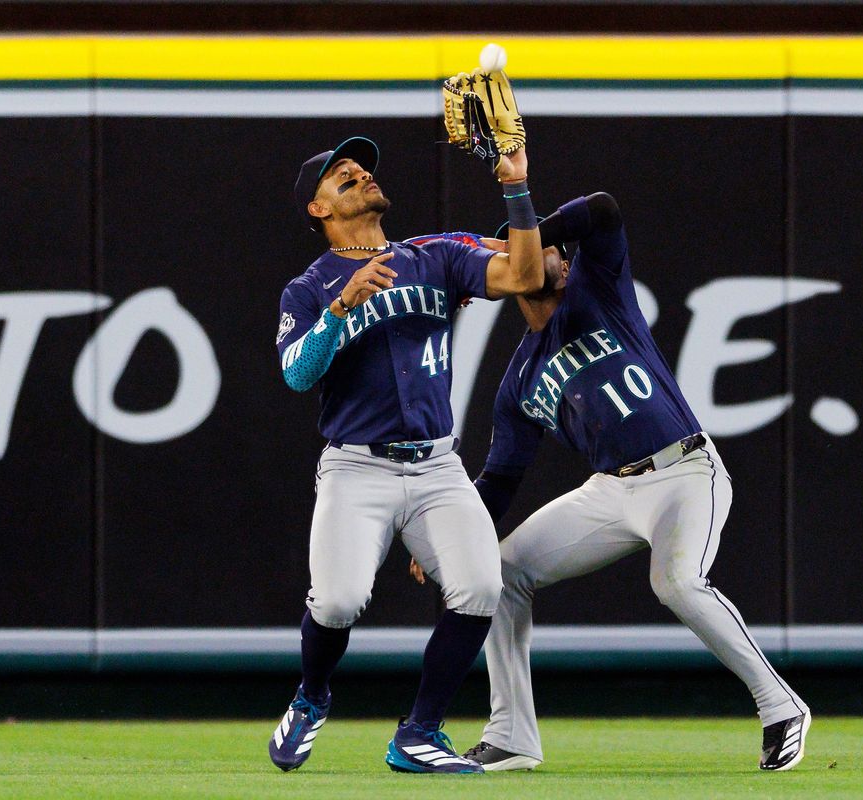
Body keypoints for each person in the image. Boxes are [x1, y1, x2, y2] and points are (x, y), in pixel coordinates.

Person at [415, 191, 811, 773]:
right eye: (523, 248)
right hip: (611, 489)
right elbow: (500, 478)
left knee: (676, 581)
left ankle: (781, 706)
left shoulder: (598, 288)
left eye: (545, 247)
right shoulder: (519, 379)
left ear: (566, 260)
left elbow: (601, 209)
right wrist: (458, 536)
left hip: (683, 470)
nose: (537, 251)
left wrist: (535, 227)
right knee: (499, 572)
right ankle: (512, 735)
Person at [269, 134, 544, 775]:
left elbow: (527, 273)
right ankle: (311, 697)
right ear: (319, 211)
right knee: (336, 602)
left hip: (436, 465)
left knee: (480, 586)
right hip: (356, 465)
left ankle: (419, 732)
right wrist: (339, 308)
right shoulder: (308, 288)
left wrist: (516, 184)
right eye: (342, 176)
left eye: (361, 168)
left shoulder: (435, 255)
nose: (360, 174)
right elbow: (296, 374)